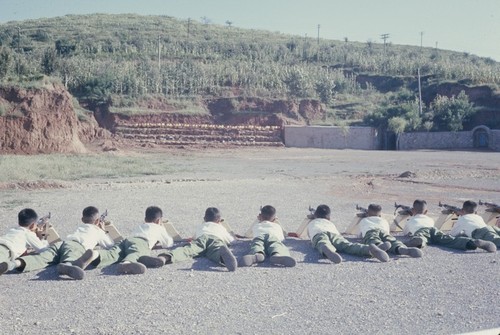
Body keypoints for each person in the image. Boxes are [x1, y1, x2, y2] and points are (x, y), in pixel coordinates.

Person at [0, 206, 114, 279]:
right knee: (71, 255)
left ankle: (14, 264)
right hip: (75, 245)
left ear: (82, 220)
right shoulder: (98, 231)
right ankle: (67, 265)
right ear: (98, 221)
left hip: (61, 244)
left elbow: (42, 250)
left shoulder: (81, 227)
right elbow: (110, 246)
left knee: (41, 258)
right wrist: (103, 231)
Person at [73, 206, 174, 275]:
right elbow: (168, 243)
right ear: (159, 221)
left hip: (126, 241)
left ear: (145, 219)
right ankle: (126, 264)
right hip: (141, 242)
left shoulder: (141, 226)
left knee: (112, 254)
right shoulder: (159, 228)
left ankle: (94, 255)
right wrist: (163, 228)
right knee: (136, 253)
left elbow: (111, 246)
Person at [294, 204, 390, 263]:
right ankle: (368, 249)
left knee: (322, 242)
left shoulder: (313, 223)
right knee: (348, 245)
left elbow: (309, 234)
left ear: (315, 215)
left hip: (319, 233)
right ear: (329, 218)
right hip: (334, 234)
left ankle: (326, 248)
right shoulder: (330, 223)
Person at [153, 207, 237, 271]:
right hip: (215, 239)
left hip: (201, 238)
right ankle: (222, 258)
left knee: (187, 250)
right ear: (219, 221)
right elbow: (231, 240)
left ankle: (165, 257)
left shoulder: (201, 226)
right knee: (215, 251)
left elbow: (193, 238)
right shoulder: (220, 227)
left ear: (204, 219)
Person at [405, 200, 495, 252]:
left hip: (422, 231)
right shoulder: (430, 219)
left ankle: (420, 241)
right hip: (434, 230)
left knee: (421, 236)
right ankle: (472, 242)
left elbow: (406, 232)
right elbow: (451, 235)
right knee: (449, 240)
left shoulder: (411, 221)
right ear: (426, 212)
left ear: (413, 210)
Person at [358, 204, 422, 258]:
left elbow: (360, 235)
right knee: (391, 240)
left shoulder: (364, 220)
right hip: (384, 232)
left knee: (372, 239)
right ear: (380, 215)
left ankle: (379, 246)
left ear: (367, 214)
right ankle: (400, 248)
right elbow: (387, 231)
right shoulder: (384, 221)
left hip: (371, 231)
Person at [0, 208, 50, 274]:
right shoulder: (28, 234)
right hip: (5, 251)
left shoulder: (14, 229)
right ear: (32, 225)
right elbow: (42, 249)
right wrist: (42, 237)